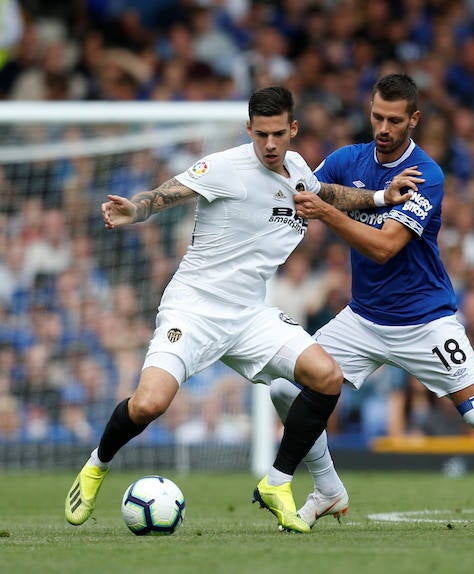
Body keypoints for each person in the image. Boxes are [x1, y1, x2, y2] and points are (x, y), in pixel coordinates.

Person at [64, 86, 418, 533]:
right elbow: (168, 193)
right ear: (248, 129)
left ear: (292, 130)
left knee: (327, 376)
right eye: (260, 134)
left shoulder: (297, 171)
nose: (269, 145)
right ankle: (97, 465)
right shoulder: (224, 167)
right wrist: (137, 209)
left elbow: (326, 194)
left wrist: (384, 198)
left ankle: (277, 482)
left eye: (277, 134)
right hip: (193, 310)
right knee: (149, 404)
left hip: (250, 315)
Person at [269, 73, 474, 530]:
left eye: (394, 120)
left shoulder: (427, 175)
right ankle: (327, 488)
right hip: (362, 319)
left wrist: (327, 212)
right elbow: (302, 195)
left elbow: (383, 246)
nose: (382, 127)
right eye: (377, 116)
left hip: (426, 322)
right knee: (284, 389)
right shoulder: (345, 160)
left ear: (413, 120)